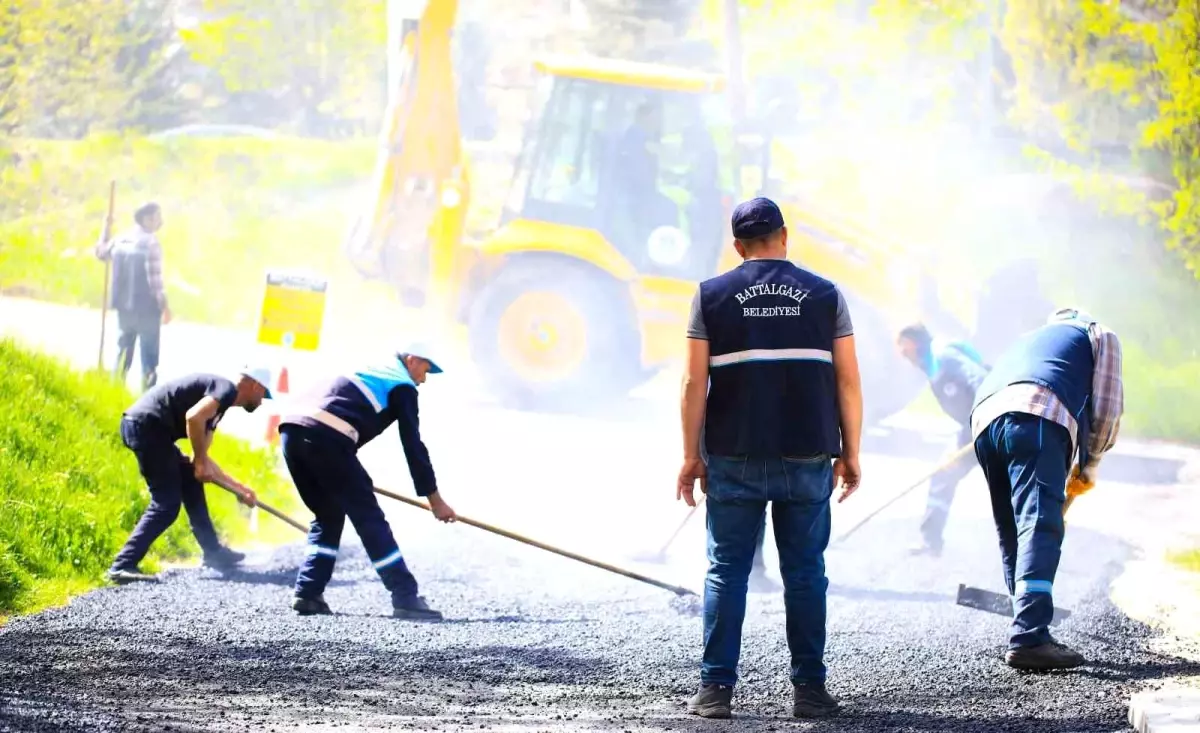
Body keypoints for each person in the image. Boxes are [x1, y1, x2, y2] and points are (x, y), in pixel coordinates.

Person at [677, 197, 863, 719]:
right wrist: (852, 452)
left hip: (734, 452)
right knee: (805, 573)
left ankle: (715, 692)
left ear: (738, 247)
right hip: (808, 452)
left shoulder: (710, 296)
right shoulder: (826, 296)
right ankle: (809, 691)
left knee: (726, 573)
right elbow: (847, 380)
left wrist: (691, 456)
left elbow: (694, 381)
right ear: (785, 236)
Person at [970, 308, 1123, 670]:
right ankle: (1030, 636)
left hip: (984, 420)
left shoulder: (1031, 339)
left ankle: (1026, 620)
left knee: (1013, 527)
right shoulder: (1098, 333)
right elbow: (1107, 408)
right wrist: (1091, 463)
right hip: (1036, 413)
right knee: (1040, 521)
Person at [278, 345, 458, 621]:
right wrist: (435, 500)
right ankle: (405, 596)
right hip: (328, 437)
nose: (424, 379)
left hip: (291, 430)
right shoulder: (401, 384)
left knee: (327, 515)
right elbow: (413, 446)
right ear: (412, 360)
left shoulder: (370, 368)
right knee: (368, 517)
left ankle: (308, 592)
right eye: (425, 369)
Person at [107, 369, 271, 584]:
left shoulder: (218, 408)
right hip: (146, 427)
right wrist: (201, 461)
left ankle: (213, 552)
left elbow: (200, 462)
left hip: (149, 430)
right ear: (255, 386)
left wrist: (239, 489)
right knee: (166, 503)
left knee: (191, 479)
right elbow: (193, 418)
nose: (261, 402)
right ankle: (122, 564)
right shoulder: (226, 389)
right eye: (264, 395)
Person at [896, 323, 990, 557]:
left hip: (993, 423)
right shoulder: (933, 365)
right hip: (972, 428)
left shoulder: (945, 356)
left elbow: (980, 380)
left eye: (904, 349)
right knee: (943, 473)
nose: (903, 356)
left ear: (915, 343)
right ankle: (930, 541)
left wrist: (989, 417)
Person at [94, 202, 171, 391]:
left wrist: (106, 228)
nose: (160, 221)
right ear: (146, 219)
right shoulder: (151, 243)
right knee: (149, 359)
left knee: (123, 353)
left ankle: (114, 392)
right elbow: (155, 282)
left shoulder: (121, 239)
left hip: (124, 308)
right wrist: (164, 307)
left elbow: (101, 252)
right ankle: (148, 399)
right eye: (157, 217)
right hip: (147, 309)